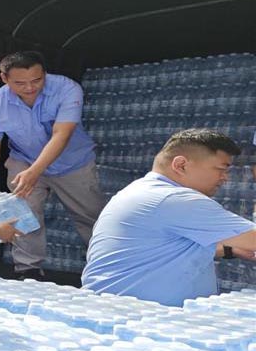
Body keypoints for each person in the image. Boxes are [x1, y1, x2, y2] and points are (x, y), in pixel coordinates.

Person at [82, 129, 256, 306]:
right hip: (139, 316)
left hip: (119, 309)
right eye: (221, 169)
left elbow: (163, 249)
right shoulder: (175, 199)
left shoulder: (140, 191)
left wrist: (227, 250)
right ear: (181, 165)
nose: (225, 178)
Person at [0, 51, 106, 279]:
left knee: (90, 215)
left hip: (72, 163)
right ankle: (28, 270)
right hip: (24, 159)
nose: (30, 88)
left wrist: (35, 171)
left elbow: (62, 134)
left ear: (45, 73)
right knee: (24, 214)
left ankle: (106, 265)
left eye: (37, 80)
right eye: (20, 83)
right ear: (4, 78)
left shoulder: (67, 89)